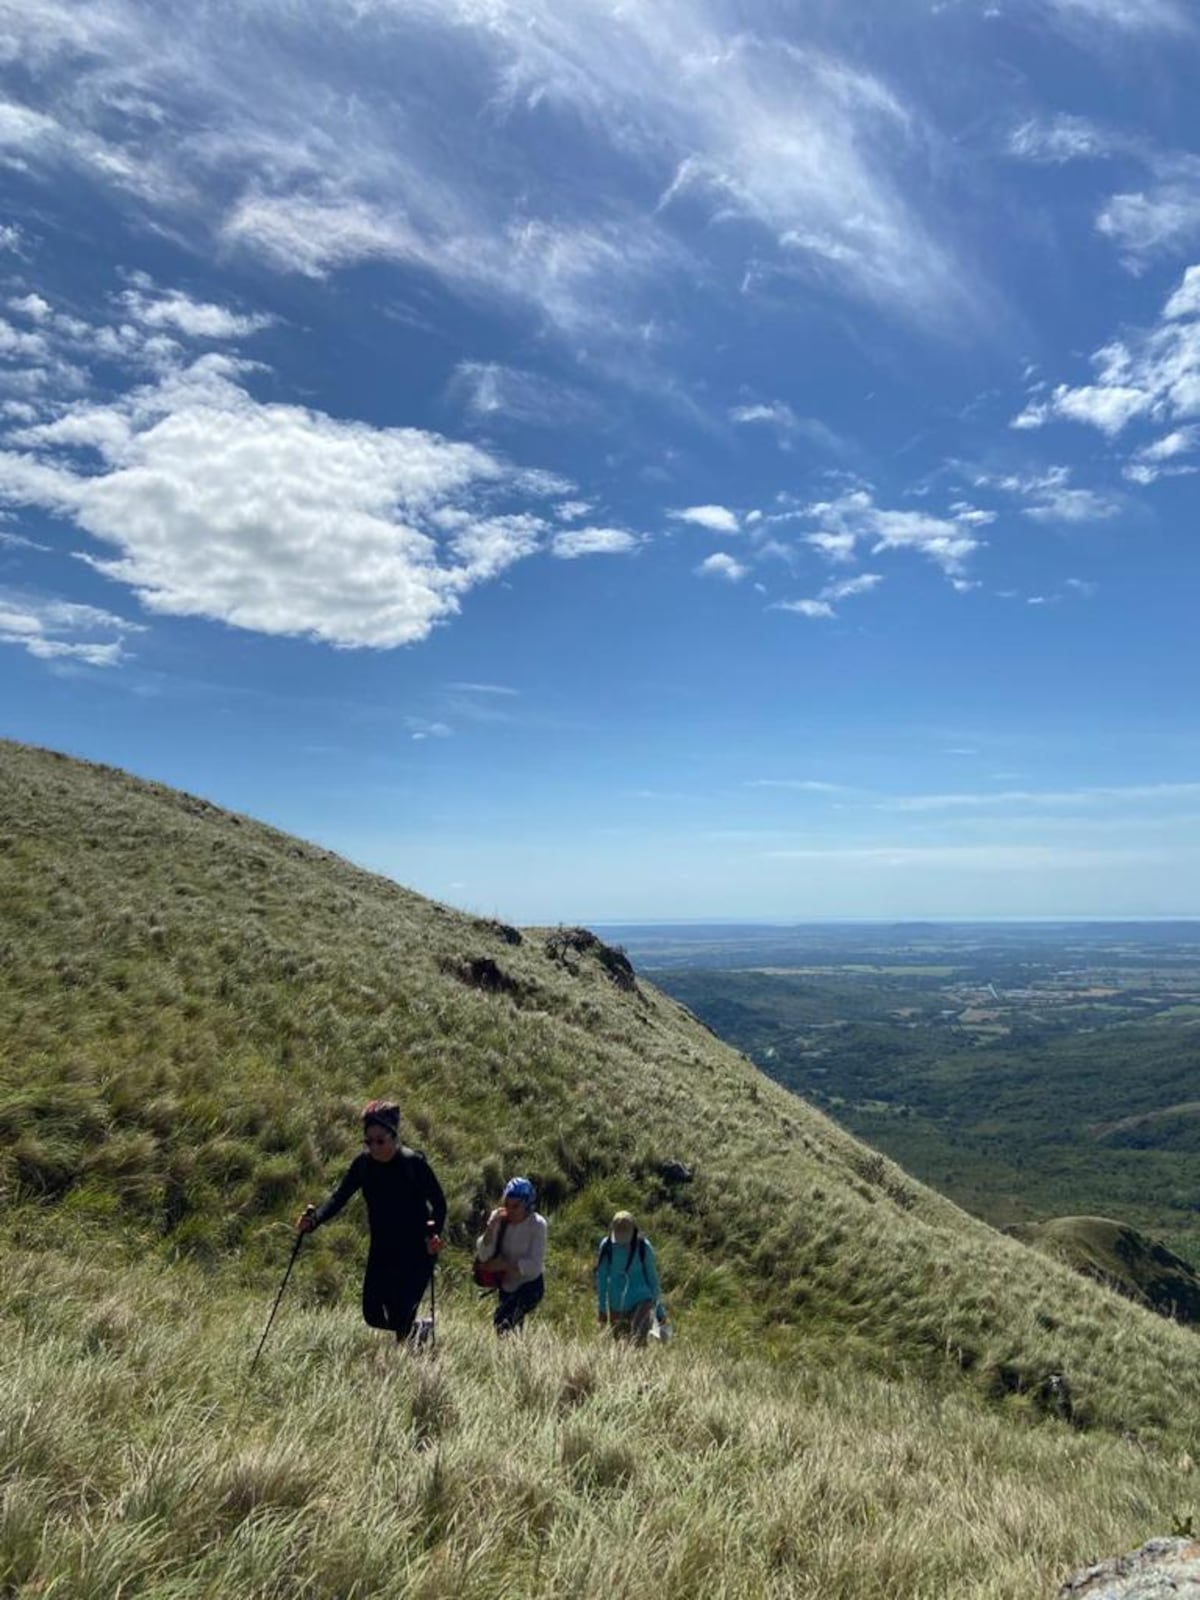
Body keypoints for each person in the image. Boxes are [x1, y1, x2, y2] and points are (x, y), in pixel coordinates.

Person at [298, 1099, 446, 1345]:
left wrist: (434, 1235)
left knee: (401, 1314)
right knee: (372, 1314)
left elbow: (439, 1203)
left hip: (416, 1249)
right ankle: (417, 1330)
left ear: (394, 1135)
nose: (374, 1147)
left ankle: (409, 1369)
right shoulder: (363, 1165)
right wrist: (314, 1221)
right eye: (368, 1142)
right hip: (382, 1247)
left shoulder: (413, 1164)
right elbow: (339, 1197)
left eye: (380, 1141)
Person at [475, 1176, 547, 1335]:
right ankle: (516, 1356)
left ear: (527, 1205)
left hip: (530, 1285)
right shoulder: (500, 1219)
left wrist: (504, 1265)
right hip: (506, 1286)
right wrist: (490, 1228)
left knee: (502, 1321)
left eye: (516, 1206)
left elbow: (534, 1267)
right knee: (509, 1330)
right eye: (507, 1204)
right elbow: (483, 1254)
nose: (510, 1210)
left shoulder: (538, 1225)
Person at [596, 1210, 663, 1346]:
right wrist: (602, 1310)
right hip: (617, 1305)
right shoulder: (606, 1246)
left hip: (642, 1300)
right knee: (621, 1347)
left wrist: (659, 1312)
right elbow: (601, 1280)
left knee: (637, 1343)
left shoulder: (644, 1248)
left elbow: (653, 1280)